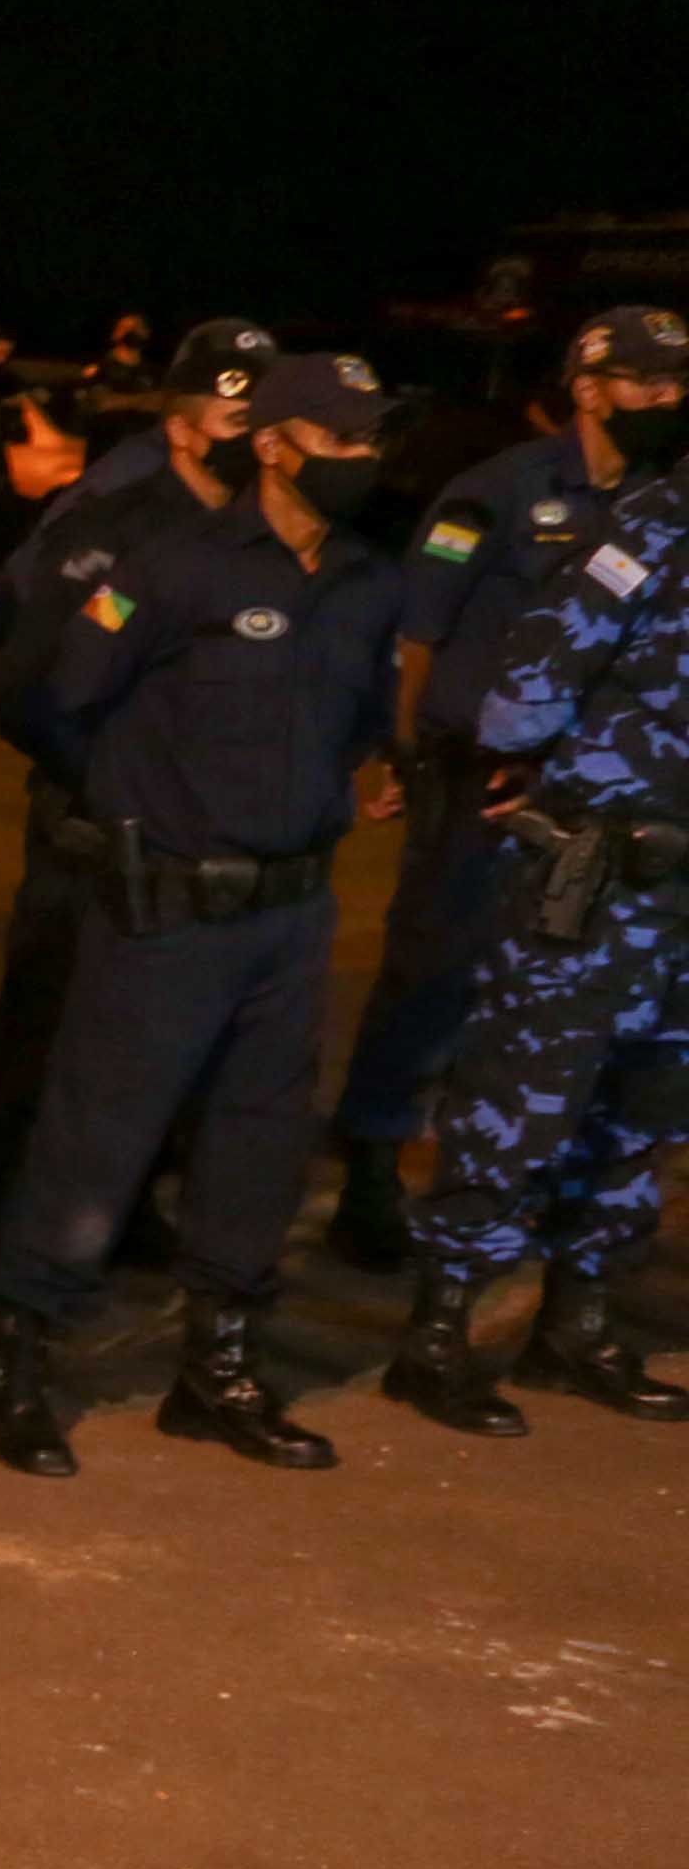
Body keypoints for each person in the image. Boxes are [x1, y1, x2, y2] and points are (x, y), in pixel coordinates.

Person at [0, 348, 407, 1477]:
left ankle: (216, 1371)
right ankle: (20, 1361)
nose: (363, 461)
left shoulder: (365, 578)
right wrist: (142, 809)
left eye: (371, 441)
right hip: (166, 905)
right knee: (98, 1134)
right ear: (273, 444)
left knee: (258, 1147)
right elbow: (52, 702)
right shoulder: (172, 568)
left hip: (291, 915)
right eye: (340, 441)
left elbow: (364, 720)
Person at [329, 305, 689, 1268]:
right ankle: (372, 1160)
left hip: (594, 799)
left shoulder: (665, 500)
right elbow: (420, 636)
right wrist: (405, 757)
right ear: (586, 387)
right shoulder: (493, 494)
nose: (666, 397)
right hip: (478, 782)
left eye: (676, 381)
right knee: (437, 973)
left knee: (560, 1002)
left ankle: (518, 1185)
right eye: (646, 379)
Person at [389, 379, 689, 1432]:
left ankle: (579, 1325)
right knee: (521, 1099)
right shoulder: (648, 531)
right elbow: (523, 692)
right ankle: (439, 1334)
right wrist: (579, 776)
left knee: (647, 1111)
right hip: (601, 878)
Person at [0, 321, 275, 1220]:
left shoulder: (259, 515)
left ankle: (124, 1195)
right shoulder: (120, 502)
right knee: (55, 1008)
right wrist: (105, 775)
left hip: (197, 817)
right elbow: (29, 637)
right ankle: (11, 1202)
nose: (253, 436)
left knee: (162, 1023)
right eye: (235, 415)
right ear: (183, 422)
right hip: (98, 803)